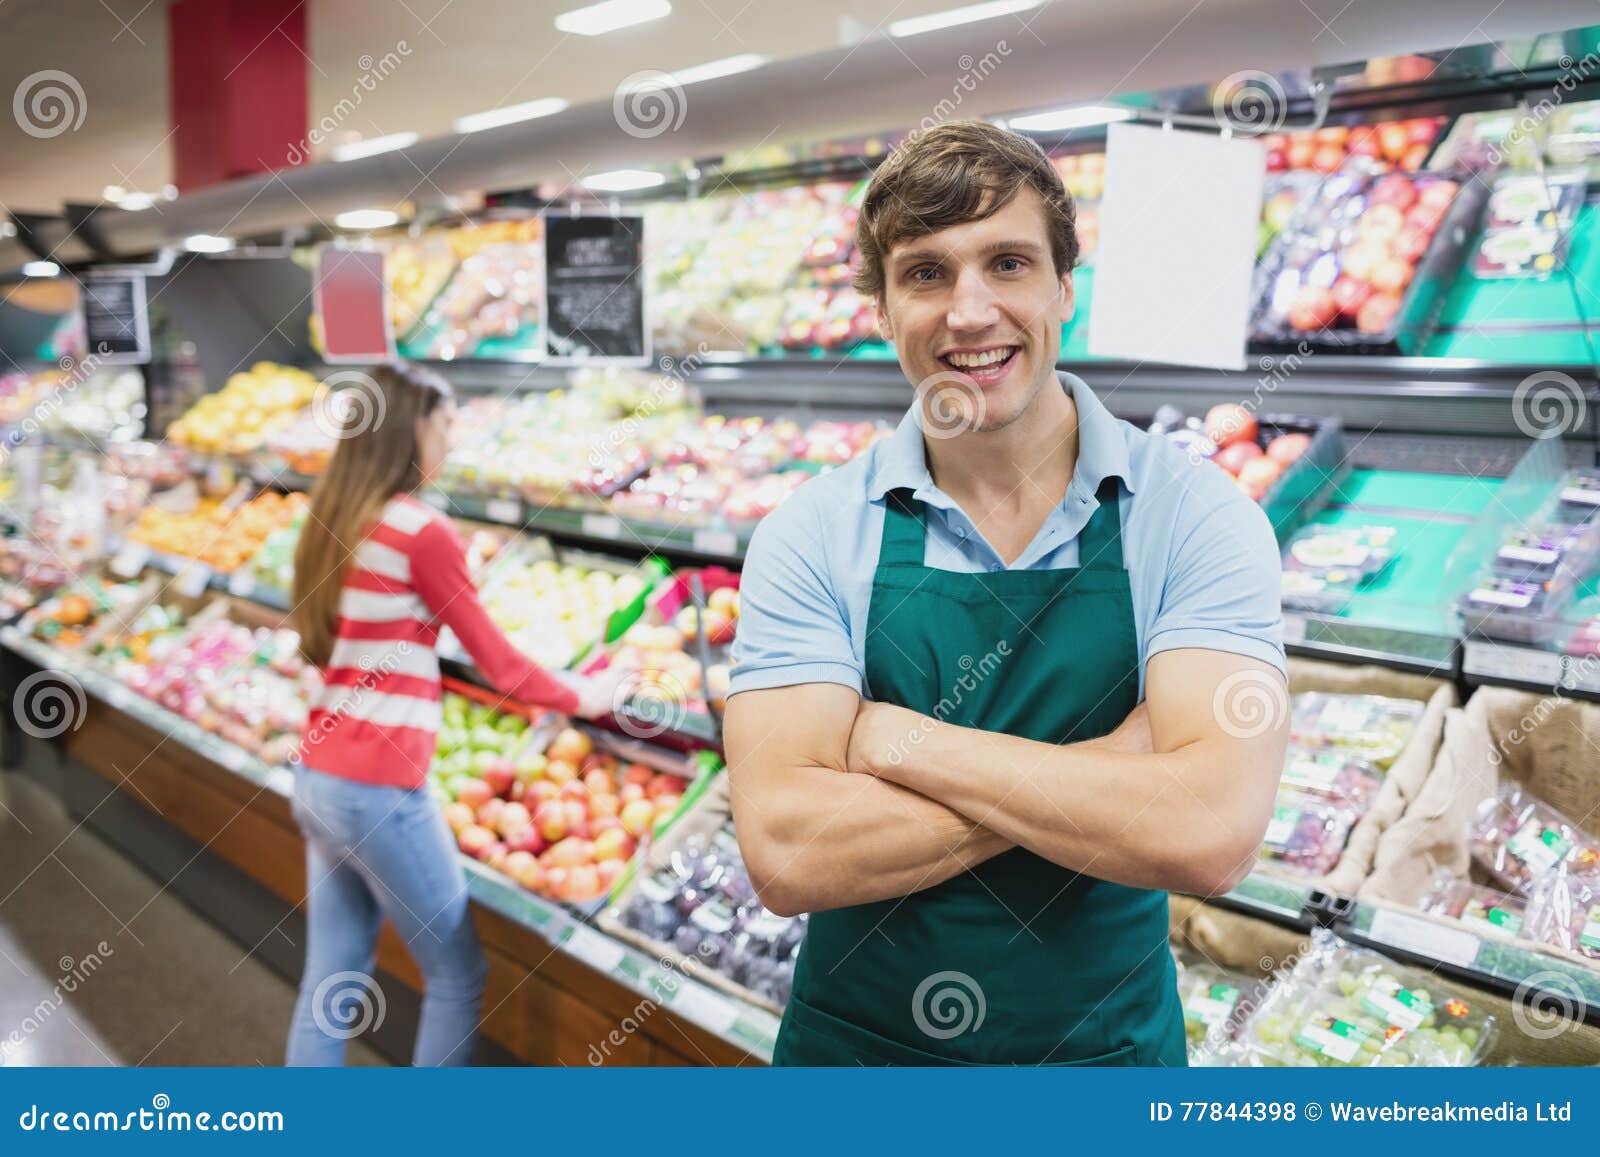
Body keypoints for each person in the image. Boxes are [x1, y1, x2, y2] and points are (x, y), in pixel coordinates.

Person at [725, 120, 1289, 1066]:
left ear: (1066, 285)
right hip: (861, 1062)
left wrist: (904, 741)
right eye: (927, 273)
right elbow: (789, 853)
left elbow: (1208, 832)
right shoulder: (809, 532)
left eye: (1010, 263)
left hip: (1102, 1062)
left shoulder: (1195, 514)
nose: (971, 311)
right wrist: (1114, 767)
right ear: (881, 307)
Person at [285, 361, 618, 1066]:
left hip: (317, 776)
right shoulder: (420, 530)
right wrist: (583, 695)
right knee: (459, 974)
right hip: (378, 786)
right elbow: (499, 663)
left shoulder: (333, 517)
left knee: (332, 977)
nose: (451, 439)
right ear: (411, 429)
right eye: (443, 423)